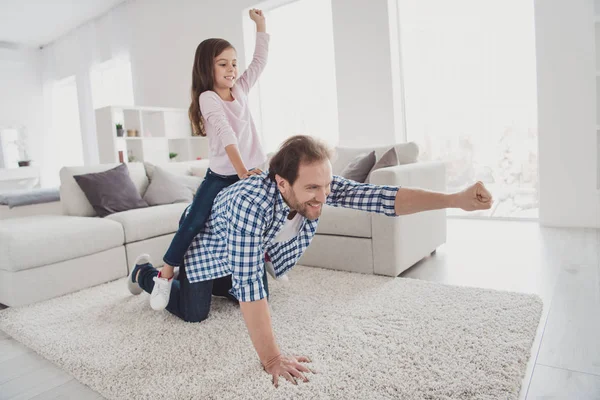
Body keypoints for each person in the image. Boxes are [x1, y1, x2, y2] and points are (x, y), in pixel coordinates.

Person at [127, 135, 493, 387]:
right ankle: (143, 272)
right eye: (313, 189)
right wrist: (272, 360)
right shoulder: (248, 205)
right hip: (205, 250)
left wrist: (454, 199)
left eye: (326, 186)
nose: (324, 196)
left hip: (239, 253)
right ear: (282, 183)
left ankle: (221, 285)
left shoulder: (317, 185)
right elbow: (252, 285)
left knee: (245, 290)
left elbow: (382, 197)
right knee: (195, 312)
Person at [147, 8, 270, 310]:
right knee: (194, 221)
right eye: (223, 64)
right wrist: (241, 171)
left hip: (248, 171)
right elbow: (226, 133)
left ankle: (267, 262)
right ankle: (164, 274)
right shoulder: (208, 97)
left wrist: (261, 25)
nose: (231, 69)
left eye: (233, 63)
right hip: (222, 176)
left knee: (264, 215)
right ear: (207, 67)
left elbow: (259, 62)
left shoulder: (239, 88)